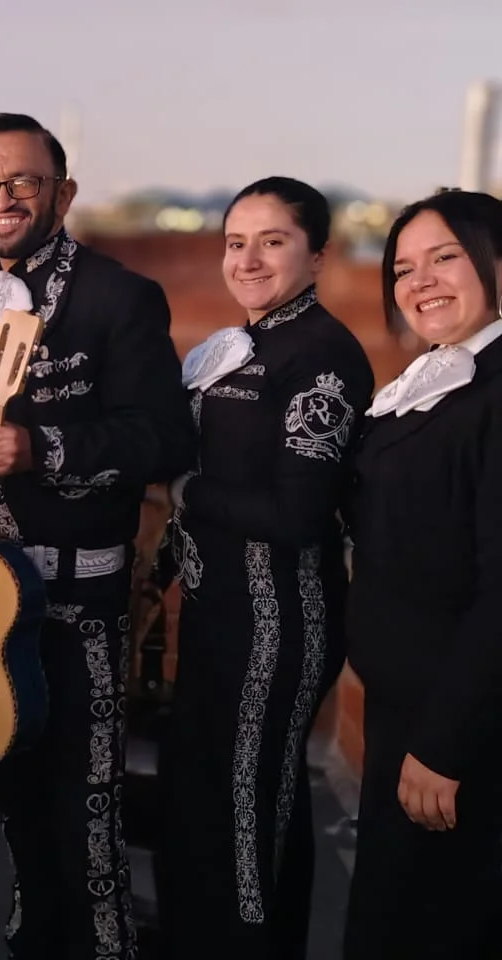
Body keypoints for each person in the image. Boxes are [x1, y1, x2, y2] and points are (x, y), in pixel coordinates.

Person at [0, 112, 195, 960]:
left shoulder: (119, 295)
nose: (3, 197)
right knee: (13, 800)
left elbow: (162, 438)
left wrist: (36, 446)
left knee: (87, 813)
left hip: (78, 601)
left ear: (63, 193)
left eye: (22, 181)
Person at [153, 177, 374, 958]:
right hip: (221, 620)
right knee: (221, 806)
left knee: (245, 817)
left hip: (279, 626)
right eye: (234, 241)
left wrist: (184, 490)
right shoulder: (236, 346)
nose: (247, 259)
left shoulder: (322, 358)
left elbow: (295, 516)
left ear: (316, 255)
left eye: (271, 241)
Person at [341, 189, 502, 959]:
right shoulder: (438, 381)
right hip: (407, 710)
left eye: (445, 258)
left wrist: (445, 742)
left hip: (460, 732)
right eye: (403, 267)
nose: (420, 281)